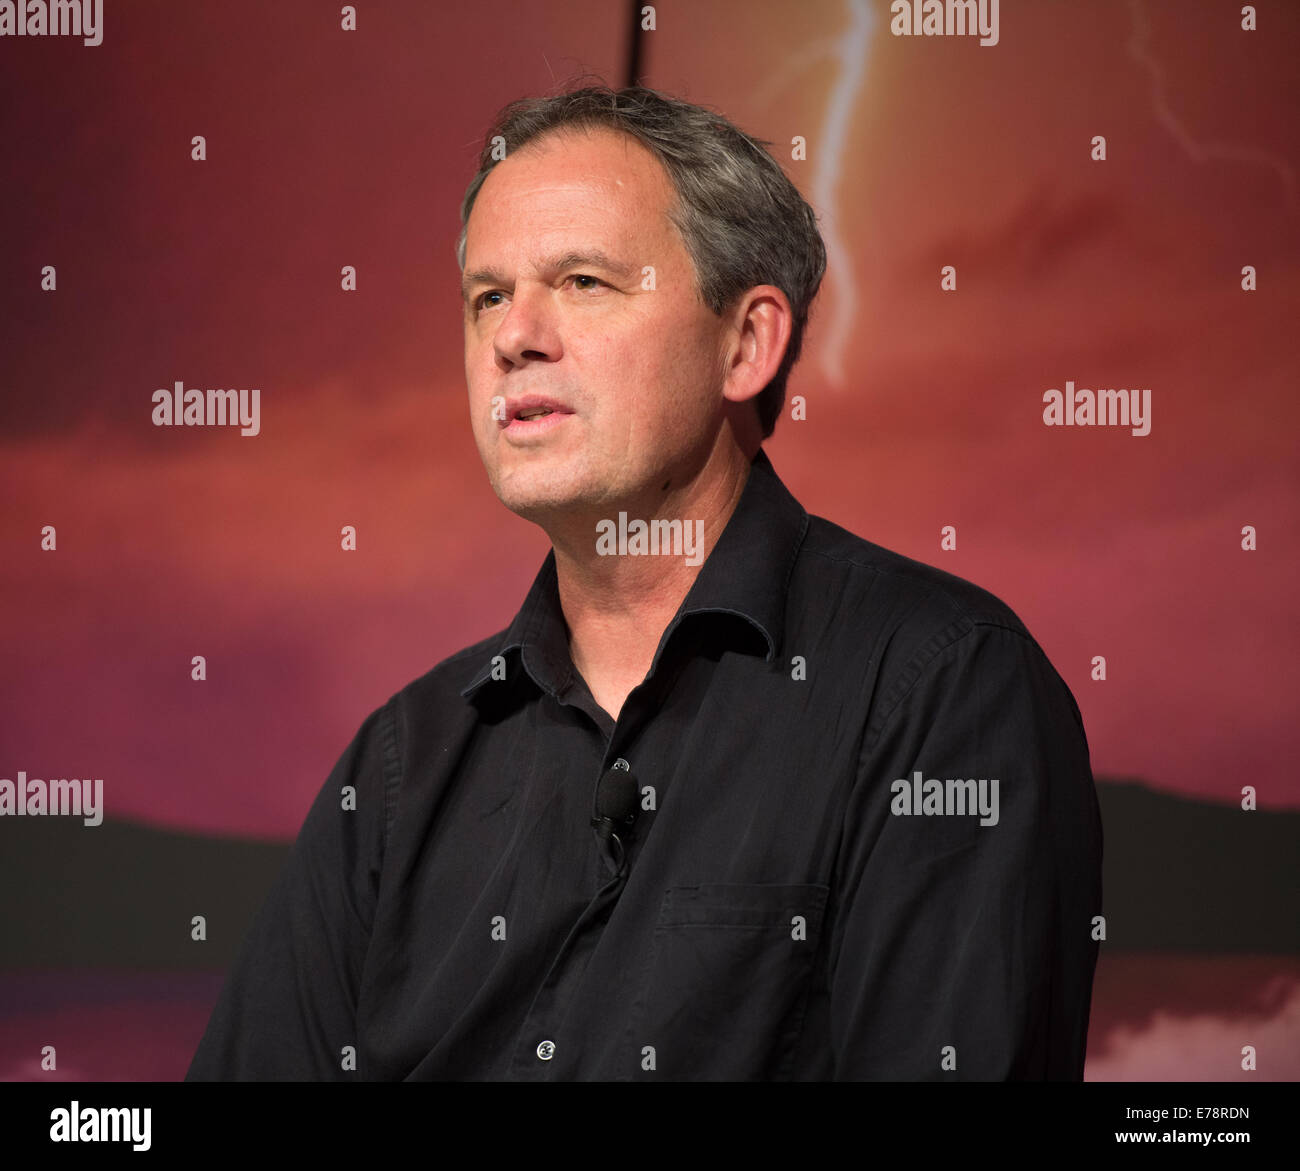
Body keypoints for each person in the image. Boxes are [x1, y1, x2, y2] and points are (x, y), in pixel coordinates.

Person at [186, 84, 1102, 1081]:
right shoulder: (403, 765)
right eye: (487, 296)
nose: (512, 337)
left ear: (747, 344)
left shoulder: (943, 688)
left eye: (581, 281)